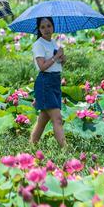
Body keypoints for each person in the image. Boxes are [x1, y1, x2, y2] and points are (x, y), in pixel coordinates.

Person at [29, 16, 66, 147]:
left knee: (43, 119)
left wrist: (62, 57)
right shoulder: (38, 44)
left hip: (55, 81)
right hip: (45, 82)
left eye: (49, 26)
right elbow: (42, 66)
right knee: (57, 118)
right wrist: (56, 57)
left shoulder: (54, 43)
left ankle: (31, 145)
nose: (46, 29)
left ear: (53, 27)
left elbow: (59, 63)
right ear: (39, 29)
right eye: (43, 27)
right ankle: (65, 150)